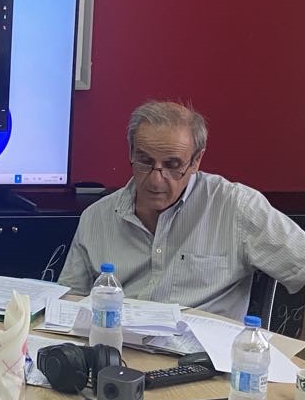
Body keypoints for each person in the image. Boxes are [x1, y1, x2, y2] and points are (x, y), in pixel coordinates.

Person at [58, 101, 305, 321]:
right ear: (131, 152)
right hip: (116, 346)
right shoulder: (97, 217)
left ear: (196, 160)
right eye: (145, 161)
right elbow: (68, 303)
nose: (156, 180)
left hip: (204, 353)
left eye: (172, 165)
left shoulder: (236, 207)